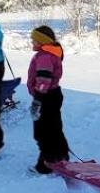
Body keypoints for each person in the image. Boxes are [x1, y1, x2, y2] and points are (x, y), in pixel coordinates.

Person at [27, 25, 71, 174]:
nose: (32, 42)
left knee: (42, 132)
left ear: (42, 41)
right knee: (54, 128)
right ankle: (62, 154)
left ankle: (46, 164)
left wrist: (37, 101)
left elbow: (43, 80)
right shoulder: (49, 53)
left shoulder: (45, 56)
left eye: (34, 40)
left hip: (45, 97)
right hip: (53, 95)